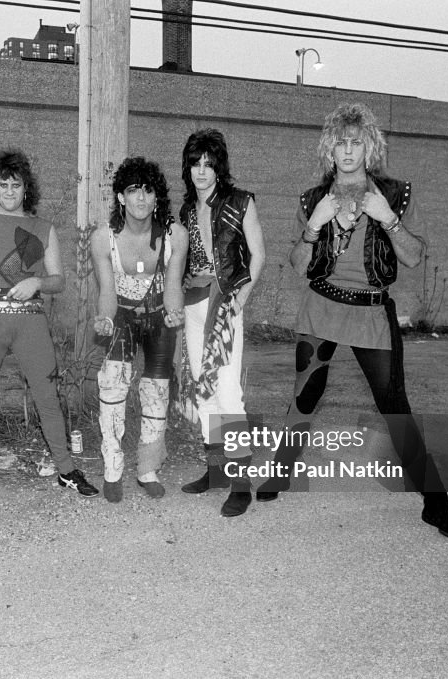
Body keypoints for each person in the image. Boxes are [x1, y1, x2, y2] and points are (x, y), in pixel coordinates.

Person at [278, 102, 448, 542]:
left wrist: (389, 219)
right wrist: (314, 227)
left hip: (370, 313)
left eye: (355, 142)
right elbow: (298, 264)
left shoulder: (395, 194)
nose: (347, 151)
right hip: (321, 307)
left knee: (396, 410)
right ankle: (277, 473)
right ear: (330, 149)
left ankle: (435, 505)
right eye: (340, 143)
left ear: (369, 147)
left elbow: (416, 257)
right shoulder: (313, 199)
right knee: (304, 397)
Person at [0, 149, 99, 501]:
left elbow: (58, 279)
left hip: (30, 322)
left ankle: (67, 471)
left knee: (48, 399)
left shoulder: (42, 228)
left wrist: (37, 283)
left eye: (16, 185)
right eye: (3, 184)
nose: (9, 191)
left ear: (26, 189)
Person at [176, 129, 267, 518]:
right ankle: (215, 472)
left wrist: (240, 299)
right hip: (193, 304)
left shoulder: (240, 201)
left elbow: (258, 254)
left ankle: (242, 485)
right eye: (196, 164)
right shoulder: (183, 211)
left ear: (219, 167)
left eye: (208, 164)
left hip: (226, 302)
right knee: (204, 387)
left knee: (228, 390)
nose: (202, 171)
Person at [91, 157, 188, 503]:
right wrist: (104, 320)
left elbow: (174, 283)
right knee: (113, 382)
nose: (142, 198)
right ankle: (112, 466)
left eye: (148, 190)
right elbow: (106, 291)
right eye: (134, 191)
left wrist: (175, 313)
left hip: (159, 316)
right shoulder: (104, 239)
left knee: (157, 392)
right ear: (121, 197)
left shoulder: (175, 235)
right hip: (122, 317)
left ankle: (147, 468)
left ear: (157, 197)